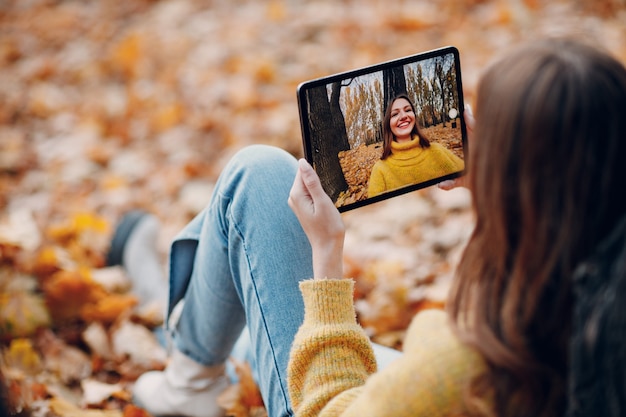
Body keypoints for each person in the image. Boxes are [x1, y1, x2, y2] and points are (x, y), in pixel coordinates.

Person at [110, 37, 626, 417]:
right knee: (252, 329)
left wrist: (327, 259)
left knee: (258, 177)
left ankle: (181, 360)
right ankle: (185, 351)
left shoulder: (459, 367)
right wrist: (494, 185)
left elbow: (332, 408)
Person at [367, 93, 465, 198]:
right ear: (388, 124)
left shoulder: (438, 150)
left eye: (408, 110)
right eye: (395, 114)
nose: (403, 116)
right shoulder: (380, 170)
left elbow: (473, 179)